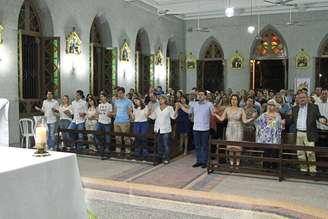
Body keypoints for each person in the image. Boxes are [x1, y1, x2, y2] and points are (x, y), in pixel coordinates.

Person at [288, 92, 327, 174]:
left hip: (309, 133)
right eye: (300, 97)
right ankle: (303, 169)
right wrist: (284, 121)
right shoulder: (294, 108)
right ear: (297, 99)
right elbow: (291, 120)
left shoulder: (313, 107)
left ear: (307, 98)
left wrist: (322, 119)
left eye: (304, 97)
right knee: (300, 152)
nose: (302, 99)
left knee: (310, 152)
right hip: (298, 133)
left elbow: (319, 116)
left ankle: (312, 169)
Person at [214, 94, 255, 168]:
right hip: (229, 128)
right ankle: (232, 163)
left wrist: (252, 118)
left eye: (235, 99)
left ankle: (237, 163)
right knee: (230, 146)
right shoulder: (227, 109)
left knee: (237, 147)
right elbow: (221, 119)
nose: (233, 101)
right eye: (232, 99)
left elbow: (245, 121)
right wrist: (215, 114)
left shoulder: (241, 109)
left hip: (238, 128)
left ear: (238, 101)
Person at [179, 89, 214, 168]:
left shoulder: (209, 104)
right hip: (196, 128)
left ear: (205, 96)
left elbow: (213, 114)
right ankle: (199, 161)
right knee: (197, 146)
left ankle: (204, 161)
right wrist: (181, 106)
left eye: (202, 94)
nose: (200, 96)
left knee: (204, 146)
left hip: (205, 128)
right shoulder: (193, 104)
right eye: (199, 95)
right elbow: (189, 112)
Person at [255, 99, 284, 168]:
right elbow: (257, 123)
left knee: (274, 153)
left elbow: (280, 125)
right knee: (266, 152)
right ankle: (266, 167)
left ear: (275, 106)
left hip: (275, 137)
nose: (270, 106)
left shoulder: (278, 115)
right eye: (269, 105)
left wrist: (281, 123)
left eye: (272, 105)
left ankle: (274, 167)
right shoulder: (263, 115)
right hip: (266, 137)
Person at [149, 95, 178, 164]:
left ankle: (166, 158)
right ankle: (160, 157)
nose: (160, 100)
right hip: (158, 128)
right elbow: (153, 117)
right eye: (159, 99)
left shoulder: (169, 108)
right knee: (159, 144)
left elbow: (173, 117)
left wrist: (176, 109)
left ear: (165, 100)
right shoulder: (157, 108)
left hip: (166, 129)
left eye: (161, 99)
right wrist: (149, 112)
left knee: (166, 144)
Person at [113, 87, 133, 154]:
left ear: (124, 93)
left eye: (121, 93)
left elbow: (130, 112)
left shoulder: (128, 101)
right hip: (116, 121)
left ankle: (128, 150)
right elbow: (115, 112)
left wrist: (128, 119)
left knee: (126, 138)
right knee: (117, 137)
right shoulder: (116, 101)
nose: (119, 95)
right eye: (118, 93)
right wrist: (112, 114)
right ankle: (118, 150)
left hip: (125, 121)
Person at [96, 91, 113, 160]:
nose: (101, 98)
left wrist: (110, 114)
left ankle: (107, 150)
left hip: (107, 123)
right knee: (96, 134)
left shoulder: (109, 105)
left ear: (105, 97)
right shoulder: (99, 105)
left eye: (102, 96)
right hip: (100, 122)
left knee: (107, 137)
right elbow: (97, 113)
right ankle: (101, 148)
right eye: (100, 97)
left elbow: (110, 114)